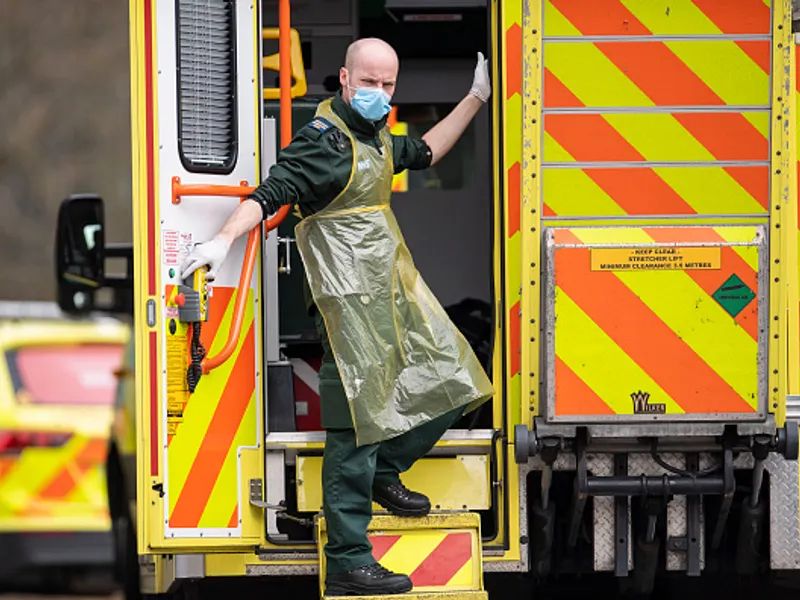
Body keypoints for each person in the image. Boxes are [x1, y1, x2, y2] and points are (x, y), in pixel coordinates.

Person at [181, 37, 494, 597]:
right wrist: (221, 241)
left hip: (390, 292)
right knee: (354, 429)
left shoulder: (372, 139)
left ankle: (383, 473)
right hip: (344, 302)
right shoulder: (323, 143)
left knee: (458, 378)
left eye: (388, 85)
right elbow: (271, 191)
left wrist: (474, 98)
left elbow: (425, 151)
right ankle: (350, 559)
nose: (379, 93)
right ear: (345, 79)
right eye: (369, 82)